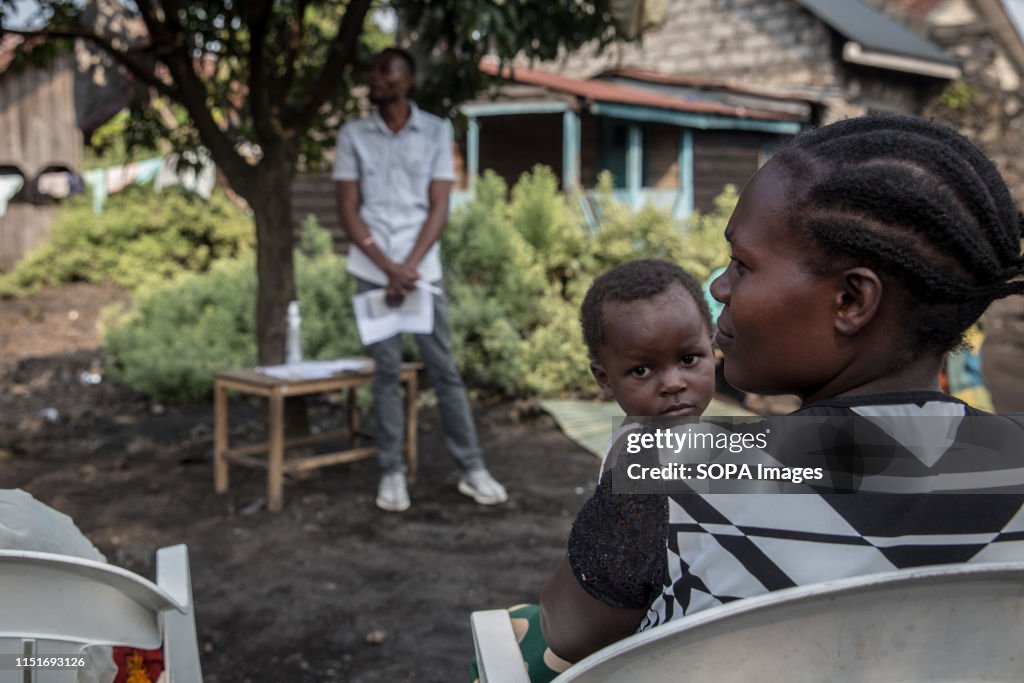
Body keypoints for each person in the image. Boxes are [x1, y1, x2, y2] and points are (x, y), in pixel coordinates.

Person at [538, 114, 1024, 664]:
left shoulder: (671, 470)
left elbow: (564, 632)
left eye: (743, 265)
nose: (720, 287)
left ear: (851, 301)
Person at [471, 259, 717, 683]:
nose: (673, 382)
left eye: (689, 359)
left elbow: (575, 631)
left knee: (521, 632)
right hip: (673, 640)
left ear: (712, 348)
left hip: (660, 648)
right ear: (604, 378)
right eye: (642, 370)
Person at [333, 48, 507, 512]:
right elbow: (348, 209)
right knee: (386, 373)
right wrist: (387, 268)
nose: (375, 80)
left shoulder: (434, 130)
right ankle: (391, 473)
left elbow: (440, 207)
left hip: (421, 273)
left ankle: (472, 469)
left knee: (444, 371)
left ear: (406, 80)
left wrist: (407, 267)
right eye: (371, 72)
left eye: (384, 72)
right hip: (373, 274)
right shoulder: (353, 134)